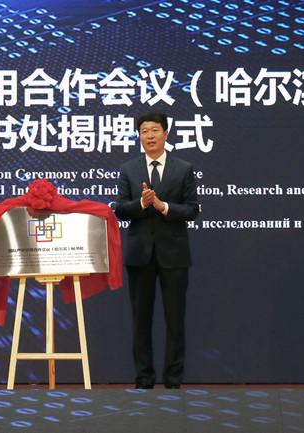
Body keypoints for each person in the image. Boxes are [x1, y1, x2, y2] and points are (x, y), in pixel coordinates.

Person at [115, 111, 199, 389]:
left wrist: (164, 207)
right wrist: (141, 203)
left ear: (166, 133)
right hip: (140, 256)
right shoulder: (129, 169)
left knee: (175, 321)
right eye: (144, 131)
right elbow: (120, 209)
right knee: (141, 321)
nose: (149, 136)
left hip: (174, 255)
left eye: (154, 130)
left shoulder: (183, 168)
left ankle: (173, 380)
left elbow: (192, 210)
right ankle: (144, 380)